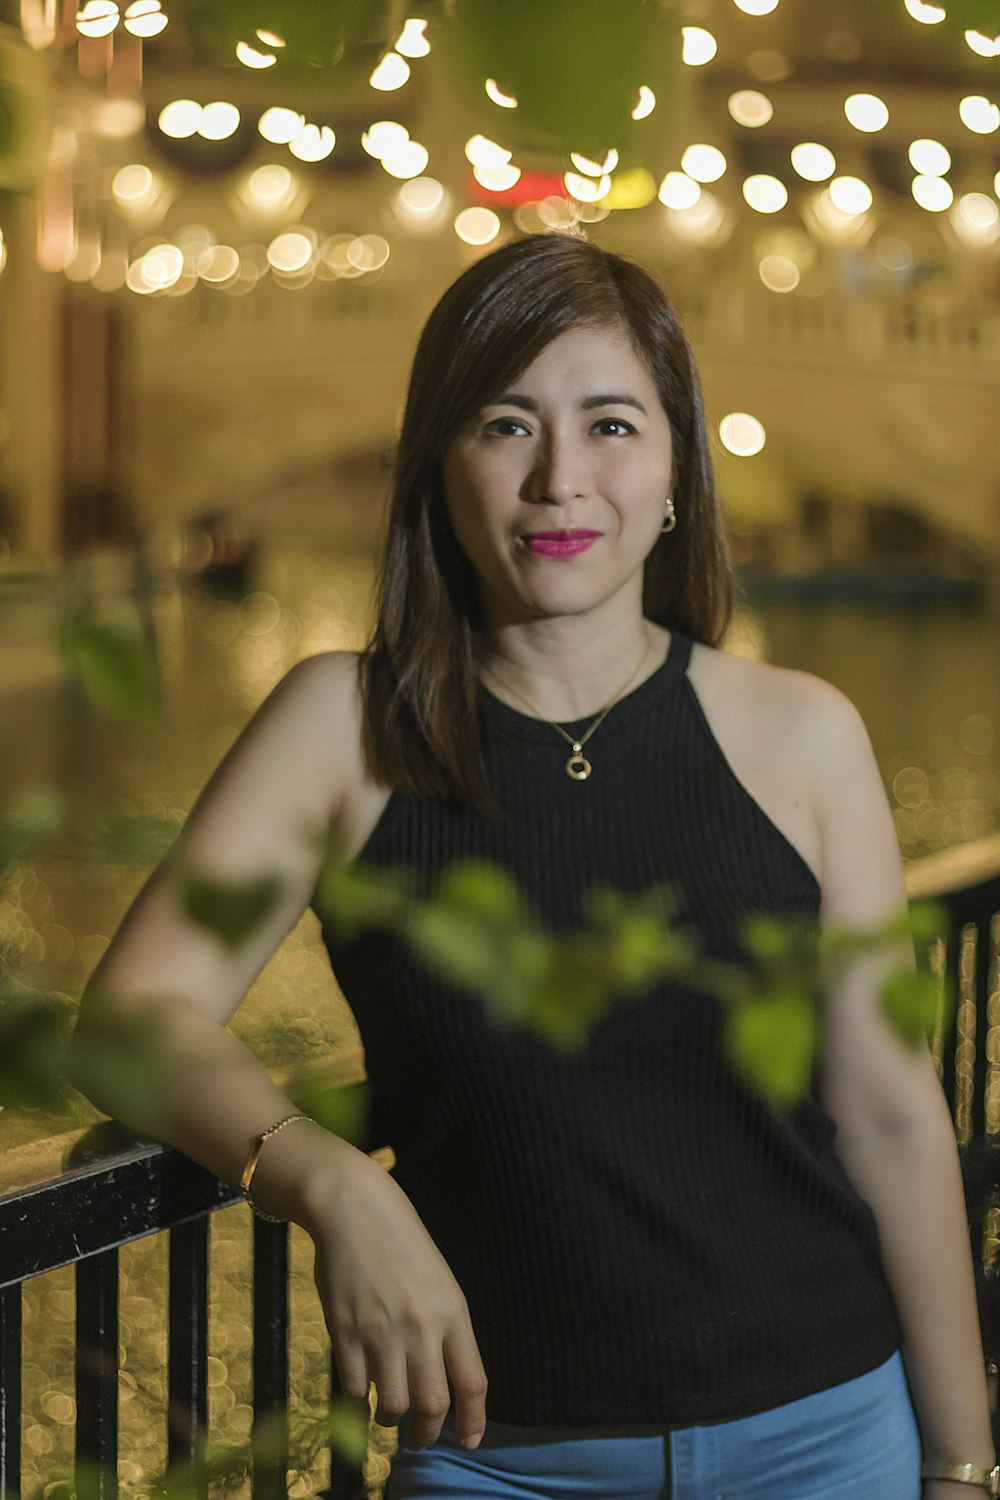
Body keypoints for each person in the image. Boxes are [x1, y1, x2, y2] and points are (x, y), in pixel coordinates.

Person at [67, 232, 996, 1500]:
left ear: (674, 467)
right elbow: (127, 1023)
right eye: (506, 426)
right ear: (438, 467)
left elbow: (891, 1118)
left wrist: (958, 1461)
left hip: (830, 1436)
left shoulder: (803, 733)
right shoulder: (343, 728)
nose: (561, 478)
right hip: (505, 1466)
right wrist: (322, 1177)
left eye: (611, 425)